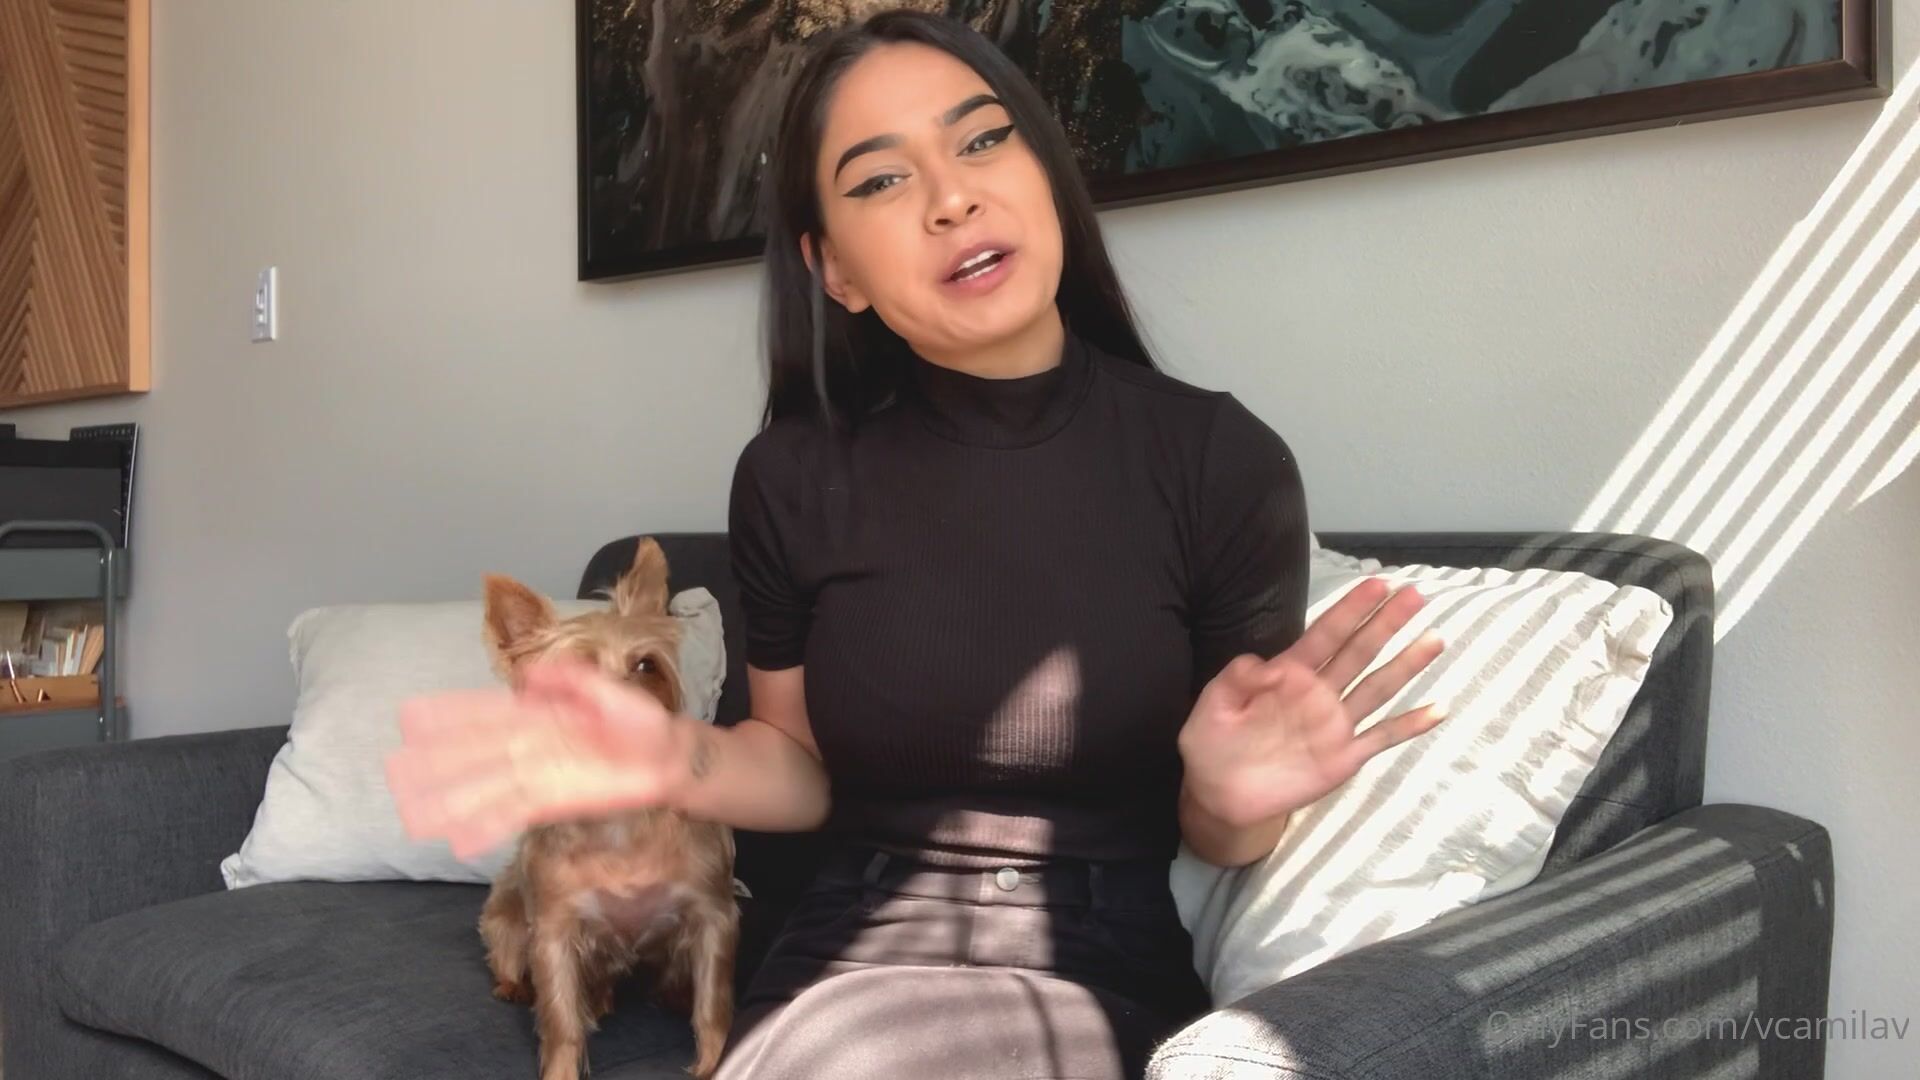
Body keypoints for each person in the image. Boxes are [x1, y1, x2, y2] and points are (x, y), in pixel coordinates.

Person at [385, 9, 1448, 1078]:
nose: (952, 198)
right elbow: (799, 770)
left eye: (982, 139)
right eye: (882, 180)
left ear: (1045, 172)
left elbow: (1224, 832)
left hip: (1095, 966)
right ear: (834, 270)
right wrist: (671, 756)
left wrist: (1228, 800)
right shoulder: (791, 476)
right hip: (841, 956)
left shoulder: (1220, 463)